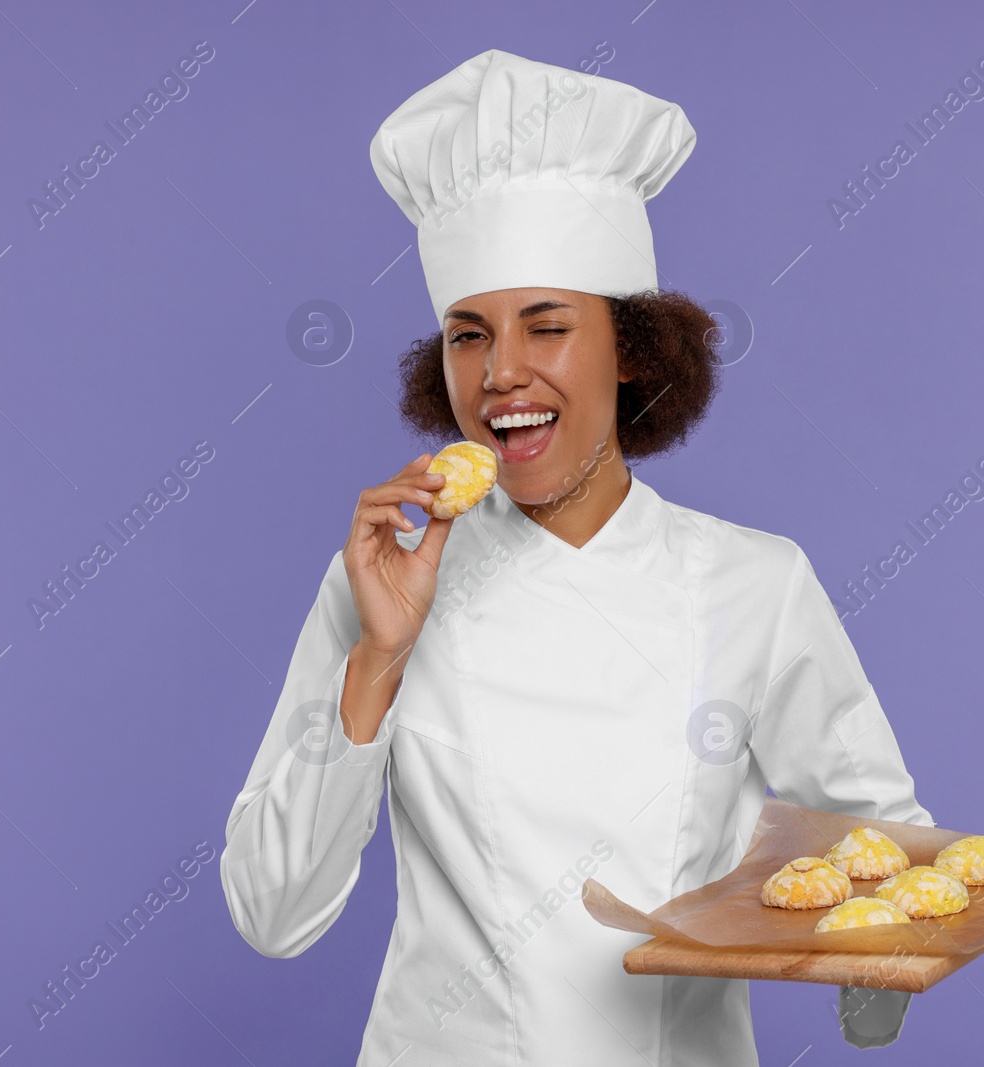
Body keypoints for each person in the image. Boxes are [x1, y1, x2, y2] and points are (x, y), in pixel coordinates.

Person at [220, 49, 931, 1064]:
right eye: (468, 336)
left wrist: (874, 990)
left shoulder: (754, 583)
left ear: (631, 346)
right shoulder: (382, 580)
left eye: (547, 326)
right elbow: (270, 909)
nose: (502, 372)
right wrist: (376, 659)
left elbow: (878, 847)